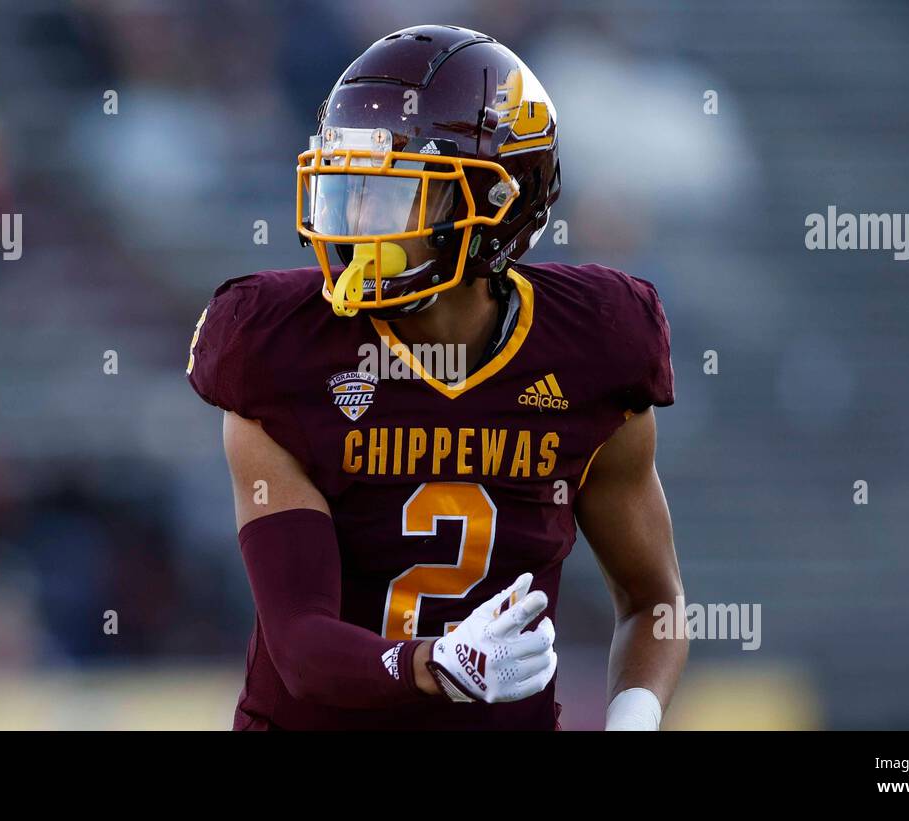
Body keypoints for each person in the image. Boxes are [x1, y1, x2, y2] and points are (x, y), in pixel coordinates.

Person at [188, 24, 686, 730]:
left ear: (492, 208)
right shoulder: (279, 347)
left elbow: (652, 601)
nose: (355, 226)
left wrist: (633, 718)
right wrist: (436, 663)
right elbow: (298, 645)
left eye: (389, 197)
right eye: (348, 190)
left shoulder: (596, 347)